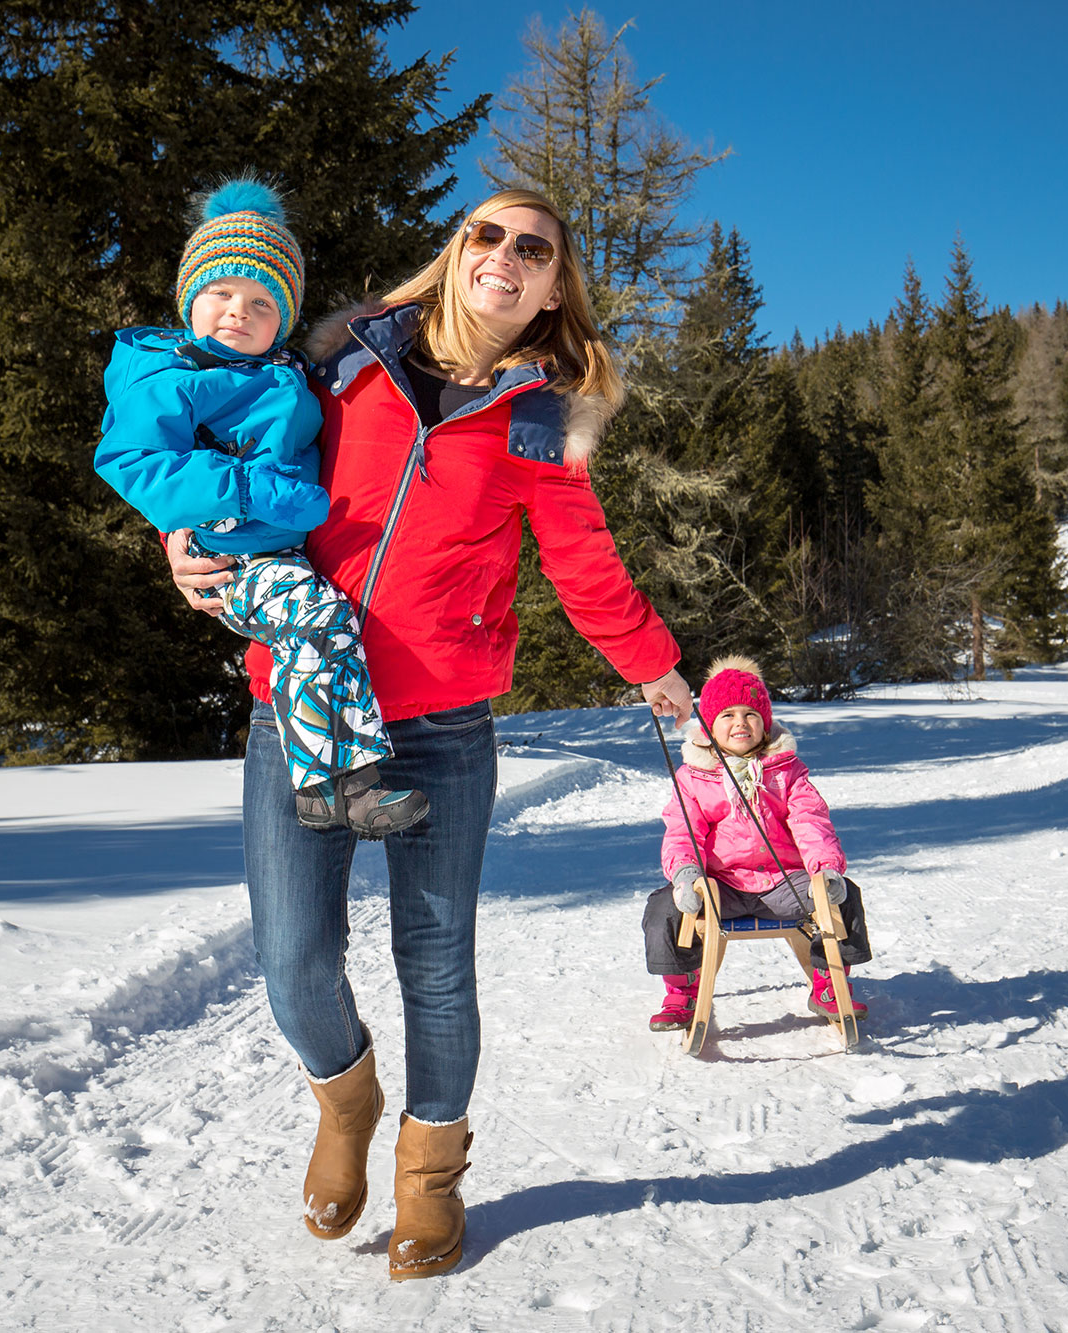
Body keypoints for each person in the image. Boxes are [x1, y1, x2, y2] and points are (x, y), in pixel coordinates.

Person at [164, 189, 693, 1281]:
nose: (504, 255)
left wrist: (655, 666)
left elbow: (584, 568)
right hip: (298, 704)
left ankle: (429, 1181)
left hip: (443, 724)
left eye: (533, 248)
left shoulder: (540, 420)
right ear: (457, 255)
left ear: (552, 290)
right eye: (487, 234)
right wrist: (179, 542)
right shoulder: (340, 364)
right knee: (290, 957)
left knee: (435, 964)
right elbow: (223, 455)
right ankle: (344, 1101)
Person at [95, 178, 427, 838]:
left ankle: (339, 789)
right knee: (316, 617)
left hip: (281, 550)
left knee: (324, 629)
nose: (237, 311)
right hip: (232, 552)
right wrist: (247, 490)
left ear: (283, 317)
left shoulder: (284, 372)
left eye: (261, 302)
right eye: (220, 293)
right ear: (190, 299)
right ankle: (339, 784)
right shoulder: (168, 376)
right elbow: (131, 462)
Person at [644, 655, 874, 1030]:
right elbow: (684, 831)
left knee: (842, 895)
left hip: (784, 883)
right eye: (728, 715)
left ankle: (829, 980)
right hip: (721, 888)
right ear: (709, 727)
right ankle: (682, 993)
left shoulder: (786, 772)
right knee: (664, 908)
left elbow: (810, 821)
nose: (740, 723)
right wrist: (687, 875)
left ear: (765, 724)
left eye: (750, 714)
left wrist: (825, 870)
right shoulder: (694, 777)